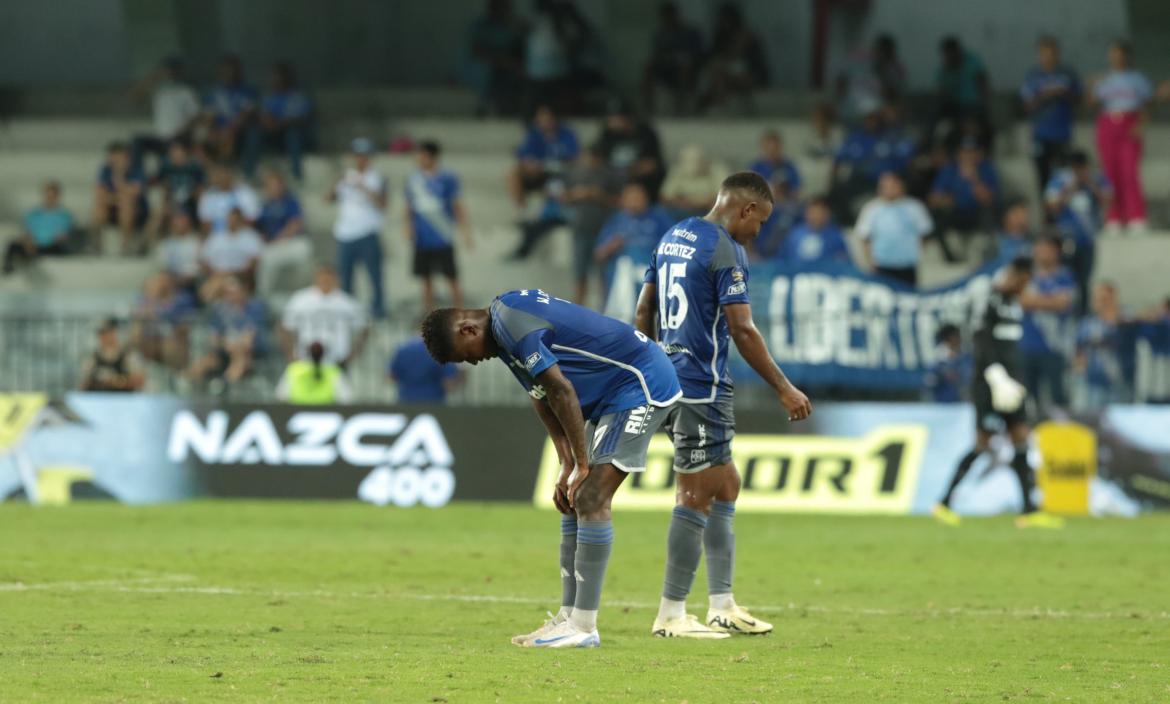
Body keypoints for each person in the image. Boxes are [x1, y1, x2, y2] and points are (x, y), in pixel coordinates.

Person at [419, 289, 685, 649]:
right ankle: (569, 616)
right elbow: (541, 394)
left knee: (590, 496)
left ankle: (584, 626)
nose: (473, 363)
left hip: (641, 381)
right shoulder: (502, 332)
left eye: (466, 357)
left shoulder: (513, 324)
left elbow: (562, 390)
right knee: (574, 497)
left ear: (467, 329)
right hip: (613, 395)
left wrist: (582, 463)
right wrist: (566, 462)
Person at [635, 171, 811, 637]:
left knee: (726, 483)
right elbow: (743, 330)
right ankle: (671, 613)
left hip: (672, 379)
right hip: (701, 386)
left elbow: (642, 311)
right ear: (746, 209)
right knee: (695, 495)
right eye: (762, 221)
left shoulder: (675, 234)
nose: (759, 232)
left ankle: (722, 603)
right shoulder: (726, 249)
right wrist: (784, 388)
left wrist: (654, 367)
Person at [932, 256, 1064, 529]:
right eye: (1023, 282)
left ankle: (1030, 510)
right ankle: (943, 503)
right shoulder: (990, 299)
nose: (1025, 288)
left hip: (1011, 385)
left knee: (1021, 441)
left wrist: (1012, 380)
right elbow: (980, 341)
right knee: (983, 443)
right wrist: (996, 376)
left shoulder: (1014, 304)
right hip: (990, 385)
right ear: (1014, 276)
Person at [1089, 40, 1152, 234]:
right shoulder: (1105, 78)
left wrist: (1141, 124)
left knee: (1129, 171)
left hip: (1129, 122)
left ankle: (1136, 217)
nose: (1115, 57)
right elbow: (1090, 103)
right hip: (1107, 123)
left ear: (1126, 56)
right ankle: (1113, 218)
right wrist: (1091, 85)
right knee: (1109, 172)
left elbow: (1147, 104)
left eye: (1119, 54)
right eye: (1112, 54)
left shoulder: (1137, 78)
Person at [405, 140, 474, 312]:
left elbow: (457, 205)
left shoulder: (447, 178)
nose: (419, 159)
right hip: (422, 237)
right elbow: (409, 206)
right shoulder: (414, 179)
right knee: (426, 277)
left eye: (422, 155)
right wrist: (408, 227)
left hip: (442, 235)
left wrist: (466, 231)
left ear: (432, 157)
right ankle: (429, 312)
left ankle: (460, 311)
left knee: (451, 276)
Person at [593, 182, 673, 319]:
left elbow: (676, 246)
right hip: (619, 275)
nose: (635, 201)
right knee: (623, 267)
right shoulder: (616, 221)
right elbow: (599, 255)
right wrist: (612, 245)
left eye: (638, 197)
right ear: (622, 200)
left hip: (651, 273)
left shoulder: (659, 218)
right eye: (630, 197)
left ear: (646, 199)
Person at [1045, 151, 1112, 313]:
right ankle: (1066, 310)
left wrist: (1091, 184)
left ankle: (1082, 313)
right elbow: (1051, 206)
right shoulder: (1060, 179)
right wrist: (1070, 188)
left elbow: (1109, 201)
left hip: (1087, 238)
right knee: (1066, 276)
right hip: (1066, 238)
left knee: (1084, 279)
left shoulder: (1095, 178)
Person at [330, 138, 387, 319]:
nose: (361, 159)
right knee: (345, 276)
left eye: (364, 155)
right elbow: (329, 198)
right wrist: (338, 181)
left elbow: (382, 203)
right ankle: (348, 310)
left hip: (367, 232)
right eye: (358, 155)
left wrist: (362, 186)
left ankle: (378, 309)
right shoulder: (347, 176)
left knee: (374, 275)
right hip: (345, 233)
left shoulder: (377, 177)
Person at [1018, 236, 1077, 414]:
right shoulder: (1026, 275)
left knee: (1058, 395)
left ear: (1056, 252)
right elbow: (1022, 302)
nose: (1041, 253)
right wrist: (1049, 301)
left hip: (1054, 347)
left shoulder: (1065, 276)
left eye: (1046, 249)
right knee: (1028, 397)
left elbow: (1063, 303)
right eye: (1039, 248)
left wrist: (1035, 302)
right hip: (1027, 346)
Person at [1019, 37, 1082, 196]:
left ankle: (1064, 214)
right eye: (1045, 54)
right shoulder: (1032, 76)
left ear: (1058, 54)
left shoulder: (1067, 74)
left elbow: (1079, 99)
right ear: (1039, 55)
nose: (1049, 57)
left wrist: (1063, 93)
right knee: (1043, 175)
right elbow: (1026, 107)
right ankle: (1047, 216)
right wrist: (1043, 95)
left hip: (1062, 133)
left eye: (1052, 53)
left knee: (1064, 175)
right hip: (1040, 134)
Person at [562, 143, 623, 304]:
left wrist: (599, 196)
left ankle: (605, 308)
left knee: (604, 274)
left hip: (604, 231)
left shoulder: (610, 175)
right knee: (580, 273)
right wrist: (577, 194)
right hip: (581, 229)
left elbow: (620, 201)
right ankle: (577, 309)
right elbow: (563, 197)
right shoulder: (574, 173)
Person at [280, 266, 370, 369]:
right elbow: (285, 327)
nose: (325, 283)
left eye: (328, 280)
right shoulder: (300, 300)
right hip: (306, 359)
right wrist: (291, 355)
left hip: (337, 360)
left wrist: (352, 355)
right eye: (322, 279)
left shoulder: (346, 302)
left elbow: (364, 327)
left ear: (335, 280)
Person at [927, 137, 1000, 263]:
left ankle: (990, 254)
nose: (968, 156)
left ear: (978, 154)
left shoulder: (986, 169)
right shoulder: (949, 169)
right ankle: (950, 258)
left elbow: (988, 200)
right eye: (965, 152)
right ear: (958, 154)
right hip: (955, 212)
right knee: (937, 216)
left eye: (972, 152)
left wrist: (974, 178)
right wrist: (946, 199)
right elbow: (933, 199)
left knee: (988, 213)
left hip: (976, 213)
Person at [186, 276, 267, 389]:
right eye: (228, 293)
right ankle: (186, 385)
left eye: (235, 291)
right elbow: (215, 339)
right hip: (225, 349)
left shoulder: (255, 307)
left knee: (240, 356)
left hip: (250, 350)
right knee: (207, 361)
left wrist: (234, 345)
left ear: (243, 290)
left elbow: (250, 337)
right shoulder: (221, 310)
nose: (232, 296)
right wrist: (225, 345)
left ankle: (225, 389)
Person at [854, 172, 933, 287]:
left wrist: (917, 254)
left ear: (901, 187)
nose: (889, 190)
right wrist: (870, 262)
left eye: (892, 186)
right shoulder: (871, 209)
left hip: (907, 265)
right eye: (884, 187)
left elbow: (925, 234)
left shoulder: (915, 207)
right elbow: (865, 238)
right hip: (881, 265)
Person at [129, 57, 201, 170]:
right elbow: (135, 97)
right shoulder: (159, 90)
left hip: (178, 137)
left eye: (173, 70)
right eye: (168, 70)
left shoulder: (186, 91)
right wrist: (153, 77)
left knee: (170, 153)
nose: (170, 73)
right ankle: (138, 177)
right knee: (137, 142)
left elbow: (195, 116)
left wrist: (182, 131)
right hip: (160, 137)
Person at [508, 104, 580, 213]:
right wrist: (530, 164)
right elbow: (524, 154)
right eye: (540, 120)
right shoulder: (535, 134)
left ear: (554, 119)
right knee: (513, 173)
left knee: (558, 185)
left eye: (547, 119)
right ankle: (521, 210)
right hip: (540, 173)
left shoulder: (567, 133)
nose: (544, 123)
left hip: (562, 172)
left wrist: (547, 164)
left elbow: (573, 156)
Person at [698, 3, 768, 113]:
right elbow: (713, 56)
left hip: (751, 75)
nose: (723, 22)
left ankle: (717, 104)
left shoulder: (745, 35)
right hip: (726, 75)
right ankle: (714, 103)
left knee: (719, 71)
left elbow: (735, 56)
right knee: (718, 73)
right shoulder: (720, 36)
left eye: (726, 19)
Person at [202, 55, 261, 177]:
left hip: (241, 130)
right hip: (220, 130)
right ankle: (210, 173)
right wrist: (212, 130)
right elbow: (209, 117)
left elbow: (248, 113)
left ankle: (247, 172)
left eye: (233, 70)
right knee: (201, 137)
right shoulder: (214, 92)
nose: (229, 74)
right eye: (226, 70)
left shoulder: (248, 90)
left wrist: (230, 129)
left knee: (253, 133)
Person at [641, 2, 704, 114]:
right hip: (667, 68)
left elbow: (697, 53)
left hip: (687, 68)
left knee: (684, 67)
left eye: (671, 16)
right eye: (666, 17)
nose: (668, 20)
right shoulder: (661, 35)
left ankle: (681, 104)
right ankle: (647, 106)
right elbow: (658, 55)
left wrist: (683, 58)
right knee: (648, 68)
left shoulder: (690, 32)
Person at [256, 171, 312, 297]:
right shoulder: (265, 204)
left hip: (290, 241)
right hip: (272, 245)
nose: (274, 188)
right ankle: (264, 296)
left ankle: (304, 292)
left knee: (304, 250)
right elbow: (260, 226)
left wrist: (280, 238)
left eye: (277, 184)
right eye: (271, 185)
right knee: (265, 259)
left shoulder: (290, 200)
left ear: (282, 185)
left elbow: (296, 223)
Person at [464, 0, 525, 116]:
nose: (503, 11)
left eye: (506, 7)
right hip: (486, 68)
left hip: (510, 69)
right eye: (499, 7)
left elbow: (520, 51)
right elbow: (476, 51)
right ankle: (485, 108)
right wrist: (501, 61)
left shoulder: (514, 26)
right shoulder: (481, 26)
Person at [596, 100, 665, 200]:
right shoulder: (607, 134)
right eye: (611, 118)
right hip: (613, 176)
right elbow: (598, 159)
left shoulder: (645, 132)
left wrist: (628, 172)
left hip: (638, 178)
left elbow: (651, 164)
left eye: (616, 118)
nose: (612, 122)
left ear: (627, 118)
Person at [260, 62, 315, 183]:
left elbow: (303, 120)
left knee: (293, 134)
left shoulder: (298, 96)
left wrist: (281, 123)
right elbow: (266, 120)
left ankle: (296, 174)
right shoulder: (270, 97)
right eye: (274, 76)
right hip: (276, 137)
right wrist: (277, 123)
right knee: (255, 133)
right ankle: (255, 173)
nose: (276, 79)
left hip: (299, 139)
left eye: (279, 76)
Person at [3, 181, 74, 274]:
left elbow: (62, 236)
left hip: (50, 246)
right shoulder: (34, 214)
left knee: (58, 247)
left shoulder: (64, 215)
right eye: (48, 196)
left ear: (57, 197)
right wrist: (28, 242)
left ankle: (32, 258)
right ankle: (9, 270)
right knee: (13, 245)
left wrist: (42, 242)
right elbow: (27, 232)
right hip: (32, 245)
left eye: (52, 196)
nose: (50, 199)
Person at [932, 37, 991, 146]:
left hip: (974, 105)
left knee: (983, 126)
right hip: (954, 107)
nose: (951, 56)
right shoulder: (944, 69)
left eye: (953, 53)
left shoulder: (972, 61)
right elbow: (941, 94)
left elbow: (983, 81)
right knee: (937, 121)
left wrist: (985, 101)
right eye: (947, 54)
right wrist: (949, 72)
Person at [132, 272, 195, 373]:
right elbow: (141, 316)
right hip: (151, 336)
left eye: (164, 280)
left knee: (168, 344)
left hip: (174, 336)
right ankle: (141, 370)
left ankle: (175, 374)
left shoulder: (182, 299)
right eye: (158, 281)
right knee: (136, 334)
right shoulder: (146, 298)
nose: (161, 284)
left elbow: (184, 322)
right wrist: (152, 298)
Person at [92, 141, 149, 254]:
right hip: (113, 207)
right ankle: (96, 245)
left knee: (126, 204)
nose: (114, 160)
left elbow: (134, 193)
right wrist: (117, 197)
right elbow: (99, 192)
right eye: (112, 156)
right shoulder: (106, 170)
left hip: (136, 210)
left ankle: (125, 246)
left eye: (117, 156)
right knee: (98, 207)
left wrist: (118, 178)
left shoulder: (136, 170)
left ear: (125, 156)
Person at [1075, 281, 1125, 408]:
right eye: (1098, 299)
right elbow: (1079, 351)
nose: (1102, 303)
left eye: (1105, 299)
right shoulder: (1086, 324)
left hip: (1120, 383)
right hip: (1092, 384)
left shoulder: (1125, 322)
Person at [389, 335, 463, 404]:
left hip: (406, 401)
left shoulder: (402, 350)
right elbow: (448, 384)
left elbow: (392, 376)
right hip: (433, 403)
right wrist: (461, 377)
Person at [78, 318, 145, 393]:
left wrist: (116, 381)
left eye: (107, 333)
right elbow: (84, 383)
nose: (104, 337)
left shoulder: (128, 355)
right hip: (98, 400)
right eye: (102, 334)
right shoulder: (93, 356)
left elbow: (140, 381)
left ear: (114, 333)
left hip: (122, 400)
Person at [778, 196, 849, 265]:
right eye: (813, 213)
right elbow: (782, 259)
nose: (816, 217)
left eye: (820, 214)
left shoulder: (836, 237)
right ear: (806, 214)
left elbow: (842, 262)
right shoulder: (794, 234)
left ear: (827, 215)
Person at [276, 341, 353, 404]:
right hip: (326, 414)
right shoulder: (332, 371)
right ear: (323, 354)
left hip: (299, 413)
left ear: (307, 352)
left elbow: (281, 396)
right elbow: (347, 397)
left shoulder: (294, 369)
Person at [659, 144, 727, 215]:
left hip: (709, 212)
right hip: (682, 212)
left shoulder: (718, 171)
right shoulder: (677, 171)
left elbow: (724, 198)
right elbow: (665, 197)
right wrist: (687, 202)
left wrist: (702, 203)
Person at [201, 207, 263, 283]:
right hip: (216, 275)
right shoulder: (216, 237)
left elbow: (255, 261)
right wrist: (215, 273)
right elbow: (204, 260)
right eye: (230, 219)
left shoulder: (251, 237)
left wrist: (233, 274)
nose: (232, 221)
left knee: (219, 286)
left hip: (240, 278)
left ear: (241, 220)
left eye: (235, 219)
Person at [197, 162, 261, 235]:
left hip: (242, 235)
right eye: (216, 174)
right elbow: (205, 224)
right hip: (217, 237)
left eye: (221, 174)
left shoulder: (245, 193)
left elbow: (252, 221)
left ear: (229, 174)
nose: (217, 177)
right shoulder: (208, 196)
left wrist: (235, 224)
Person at [154, 138, 205, 226]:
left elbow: (200, 187)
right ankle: (149, 237)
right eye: (171, 152)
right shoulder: (166, 167)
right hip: (172, 201)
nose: (173, 154)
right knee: (159, 210)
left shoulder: (194, 167)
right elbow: (162, 185)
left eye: (176, 151)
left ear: (184, 152)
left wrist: (192, 196)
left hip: (191, 201)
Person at [156, 210, 202, 295]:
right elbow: (163, 266)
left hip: (189, 282)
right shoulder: (166, 244)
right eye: (176, 223)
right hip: (170, 280)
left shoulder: (195, 243)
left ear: (188, 224)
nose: (179, 225)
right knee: (156, 282)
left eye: (182, 222)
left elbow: (197, 268)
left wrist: (182, 279)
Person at [923, 324, 970, 403]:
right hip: (943, 404)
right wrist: (942, 375)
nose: (960, 339)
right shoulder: (937, 360)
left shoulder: (966, 356)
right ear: (948, 338)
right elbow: (928, 382)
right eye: (957, 336)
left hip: (964, 403)